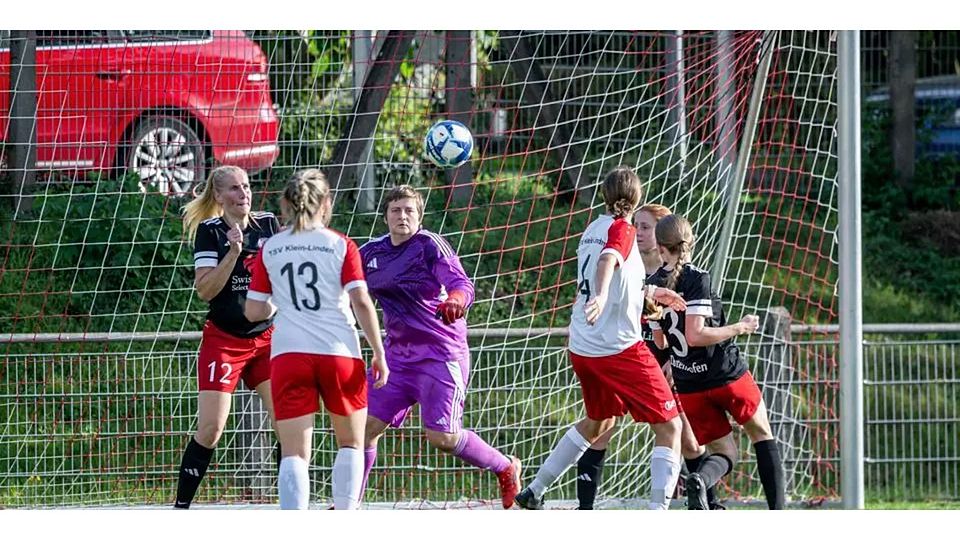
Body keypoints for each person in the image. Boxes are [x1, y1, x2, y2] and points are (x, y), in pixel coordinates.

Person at [514, 167, 687, 511]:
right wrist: (603, 294)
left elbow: (619, 274)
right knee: (670, 426)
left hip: (584, 345)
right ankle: (658, 513)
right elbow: (609, 262)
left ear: (604, 197)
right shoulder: (622, 229)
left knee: (599, 420)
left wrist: (649, 295)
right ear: (636, 199)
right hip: (618, 348)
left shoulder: (591, 229)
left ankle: (534, 489)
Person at [358, 185, 521, 509]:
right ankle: (349, 504)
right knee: (361, 429)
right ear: (386, 215)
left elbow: (462, 284)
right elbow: (349, 288)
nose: (402, 216)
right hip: (396, 358)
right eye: (395, 210)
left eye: (409, 211)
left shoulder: (429, 245)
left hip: (439, 354)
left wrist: (456, 301)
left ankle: (505, 467)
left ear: (419, 216)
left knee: (442, 438)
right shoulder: (370, 253)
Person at [244, 169, 389, 510]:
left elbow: (253, 310)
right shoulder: (340, 244)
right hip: (339, 352)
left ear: (285, 204)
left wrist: (280, 300)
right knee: (351, 444)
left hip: (289, 353)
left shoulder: (271, 247)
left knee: (294, 453)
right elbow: (361, 301)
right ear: (326, 203)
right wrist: (379, 352)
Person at [574, 203, 721, 510]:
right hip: (623, 357)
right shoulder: (626, 263)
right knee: (602, 425)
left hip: (665, 363)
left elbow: (688, 328)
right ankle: (584, 508)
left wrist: (673, 361)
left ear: (664, 235)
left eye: (646, 227)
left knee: (687, 437)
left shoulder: (682, 278)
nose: (638, 232)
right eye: (636, 225)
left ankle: (708, 504)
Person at [649, 213, 785, 510]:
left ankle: (700, 480)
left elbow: (660, 342)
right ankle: (779, 515)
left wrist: (673, 356)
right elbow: (695, 334)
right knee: (762, 434)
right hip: (726, 374)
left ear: (660, 248)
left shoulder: (651, 286)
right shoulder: (697, 278)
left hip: (689, 385)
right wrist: (740, 327)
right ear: (691, 243)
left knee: (723, 451)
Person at [174, 165, 280, 509]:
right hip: (224, 339)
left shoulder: (268, 226)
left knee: (288, 423)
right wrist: (233, 253)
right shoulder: (210, 232)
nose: (243, 194)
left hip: (267, 339)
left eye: (246, 187)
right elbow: (205, 290)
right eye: (234, 189)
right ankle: (180, 509)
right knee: (210, 429)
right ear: (218, 196)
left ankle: (294, 509)